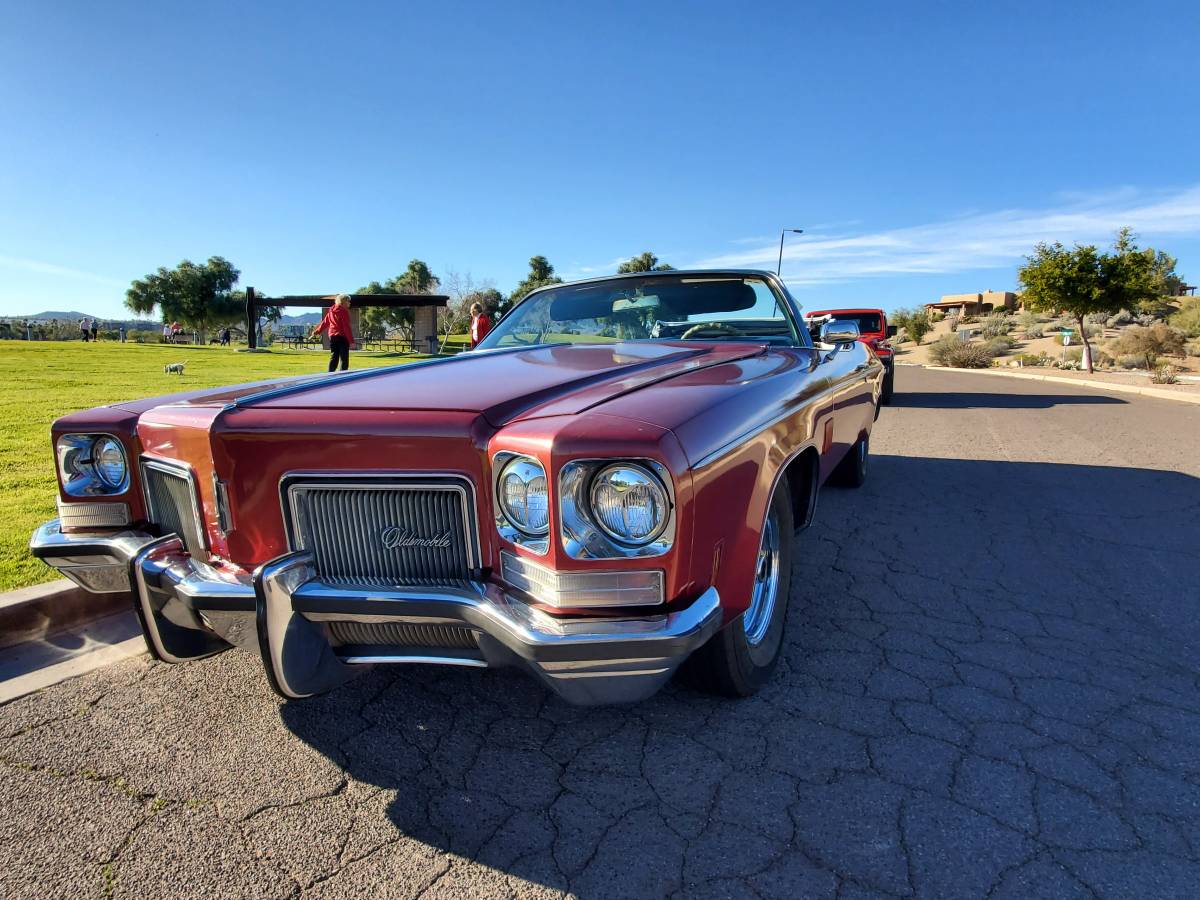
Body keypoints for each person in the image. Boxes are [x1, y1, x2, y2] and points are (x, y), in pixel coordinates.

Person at [309, 293, 354, 372]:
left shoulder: (331, 310)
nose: (349, 303)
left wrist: (317, 331)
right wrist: (351, 341)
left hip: (332, 337)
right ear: (343, 302)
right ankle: (342, 377)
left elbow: (325, 323)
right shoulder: (344, 311)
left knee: (334, 357)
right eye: (348, 301)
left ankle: (329, 375)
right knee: (344, 358)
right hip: (342, 337)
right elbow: (346, 327)